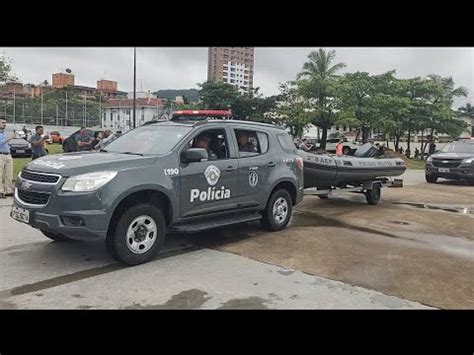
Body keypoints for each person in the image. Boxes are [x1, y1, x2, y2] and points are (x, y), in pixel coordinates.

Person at [0, 117, 15, 198]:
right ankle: (0, 191)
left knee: (9, 174)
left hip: (8, 155)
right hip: (0, 155)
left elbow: (5, 143)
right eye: (2, 122)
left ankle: (8, 190)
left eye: (5, 123)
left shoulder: (4, 133)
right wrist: (10, 138)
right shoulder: (5, 135)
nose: (4, 124)